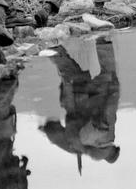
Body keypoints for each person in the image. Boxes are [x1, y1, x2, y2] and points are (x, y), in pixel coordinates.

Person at [40, 36, 120, 166]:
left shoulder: (108, 134)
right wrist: (46, 128)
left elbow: (111, 105)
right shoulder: (78, 147)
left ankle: (102, 37)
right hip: (77, 95)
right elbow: (54, 132)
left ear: (113, 148)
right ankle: (48, 41)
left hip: (100, 91)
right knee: (65, 66)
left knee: (108, 72)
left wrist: (114, 87)